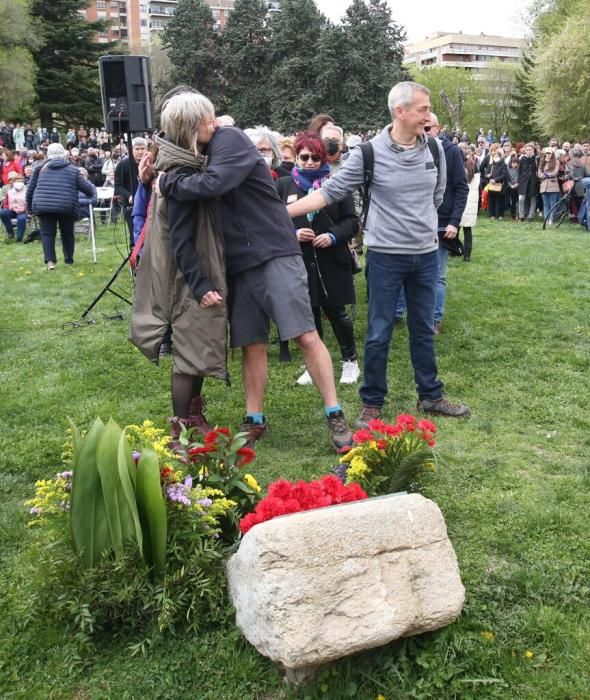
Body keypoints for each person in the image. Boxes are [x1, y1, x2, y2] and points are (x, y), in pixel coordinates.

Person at [147, 91, 354, 453]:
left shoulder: (230, 140)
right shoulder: (198, 153)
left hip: (273, 250)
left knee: (304, 333)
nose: (211, 123)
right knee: (251, 343)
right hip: (238, 263)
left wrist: (166, 183)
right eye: (203, 120)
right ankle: (254, 418)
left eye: (209, 118)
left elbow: (215, 184)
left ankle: (334, 413)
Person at [287, 81, 470, 424]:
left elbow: (438, 195)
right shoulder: (368, 153)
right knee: (379, 332)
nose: (429, 116)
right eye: (423, 109)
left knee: (422, 328)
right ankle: (372, 402)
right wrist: (279, 213)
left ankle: (430, 395)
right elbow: (329, 192)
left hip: (426, 255)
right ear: (400, 112)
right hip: (386, 257)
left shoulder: (435, 150)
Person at [130, 92, 225, 442]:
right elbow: (181, 240)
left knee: (197, 344)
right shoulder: (180, 172)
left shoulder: (177, 163)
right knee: (188, 351)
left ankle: (194, 413)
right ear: (188, 127)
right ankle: (180, 428)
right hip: (185, 277)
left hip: (188, 272)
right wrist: (201, 286)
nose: (213, 125)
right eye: (206, 120)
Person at [277, 131, 360, 385]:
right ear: (297, 157)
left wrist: (333, 236)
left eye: (316, 157)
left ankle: (350, 362)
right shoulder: (283, 185)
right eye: (305, 157)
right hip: (299, 260)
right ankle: (313, 364)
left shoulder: (336, 184)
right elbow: (271, 222)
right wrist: (293, 234)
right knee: (309, 316)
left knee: (337, 313)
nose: (310, 162)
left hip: (331, 258)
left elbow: (352, 221)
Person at [25, 143, 95, 270]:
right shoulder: (73, 170)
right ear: (64, 154)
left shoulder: (39, 168)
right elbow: (87, 188)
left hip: (43, 206)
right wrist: (92, 195)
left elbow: (30, 190)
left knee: (47, 234)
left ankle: (50, 262)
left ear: (48, 155)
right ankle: (69, 260)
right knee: (67, 233)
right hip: (66, 206)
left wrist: (30, 208)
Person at [115, 137, 147, 247]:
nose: (140, 152)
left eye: (142, 148)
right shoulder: (123, 165)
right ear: (131, 150)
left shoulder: (150, 163)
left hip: (148, 203)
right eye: (137, 149)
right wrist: (129, 196)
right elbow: (117, 186)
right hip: (131, 205)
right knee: (135, 234)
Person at [459, 153, 480, 262]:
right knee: (467, 230)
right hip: (471, 205)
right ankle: (467, 254)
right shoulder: (476, 171)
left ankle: (456, 249)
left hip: (461, 203)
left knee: (455, 228)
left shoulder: (461, 169)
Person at [0, 174, 28, 242]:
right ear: (14, 182)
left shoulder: (27, 191)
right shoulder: (10, 192)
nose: (19, 182)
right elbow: (5, 204)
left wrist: (24, 209)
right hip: (12, 211)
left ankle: (19, 238)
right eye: (17, 181)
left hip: (23, 211)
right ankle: (10, 231)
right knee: (2, 212)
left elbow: (31, 203)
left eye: (21, 181)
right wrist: (11, 207)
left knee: (21, 218)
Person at [538, 147, 560, 224]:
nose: (548, 154)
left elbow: (555, 172)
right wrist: (542, 176)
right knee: (545, 204)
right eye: (547, 153)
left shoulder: (556, 161)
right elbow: (539, 173)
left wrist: (548, 174)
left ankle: (551, 219)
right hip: (544, 185)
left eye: (549, 153)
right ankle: (546, 219)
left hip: (553, 184)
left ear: (552, 154)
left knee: (553, 204)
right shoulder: (542, 162)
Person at [486, 150, 509, 221]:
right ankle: (492, 214)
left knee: (500, 201)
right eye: (494, 156)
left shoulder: (504, 165)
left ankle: (500, 214)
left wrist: (495, 180)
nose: (496, 158)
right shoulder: (491, 165)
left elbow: (504, 175)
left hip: (500, 185)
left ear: (500, 157)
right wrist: (487, 175)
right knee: (491, 200)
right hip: (491, 185)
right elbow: (486, 173)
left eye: (497, 156)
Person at [518, 143, 538, 222]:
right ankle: (521, 216)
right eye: (527, 150)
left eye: (530, 150)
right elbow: (519, 171)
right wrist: (519, 181)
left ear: (533, 150)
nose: (528, 151)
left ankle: (530, 216)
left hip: (533, 181)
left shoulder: (536, 159)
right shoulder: (522, 159)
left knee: (533, 199)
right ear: (525, 151)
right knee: (521, 199)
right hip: (523, 181)